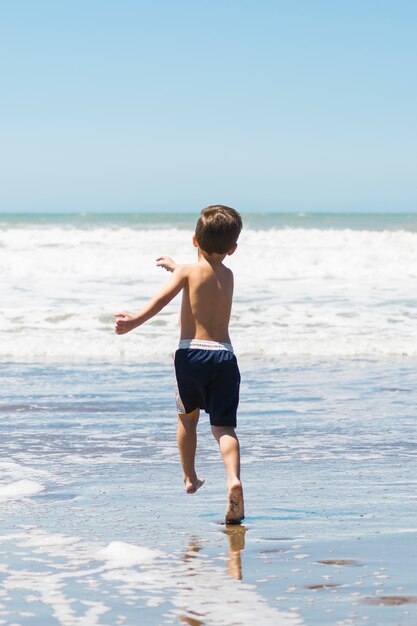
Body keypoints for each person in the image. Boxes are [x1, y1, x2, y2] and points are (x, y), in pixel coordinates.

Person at [114, 205, 244, 524]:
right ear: (233, 249)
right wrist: (177, 267)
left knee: (187, 419)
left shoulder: (187, 271)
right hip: (224, 355)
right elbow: (201, 276)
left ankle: (190, 478)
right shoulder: (228, 275)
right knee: (224, 427)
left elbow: (163, 299)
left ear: (194, 240)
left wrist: (133, 321)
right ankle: (233, 480)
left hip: (191, 354)